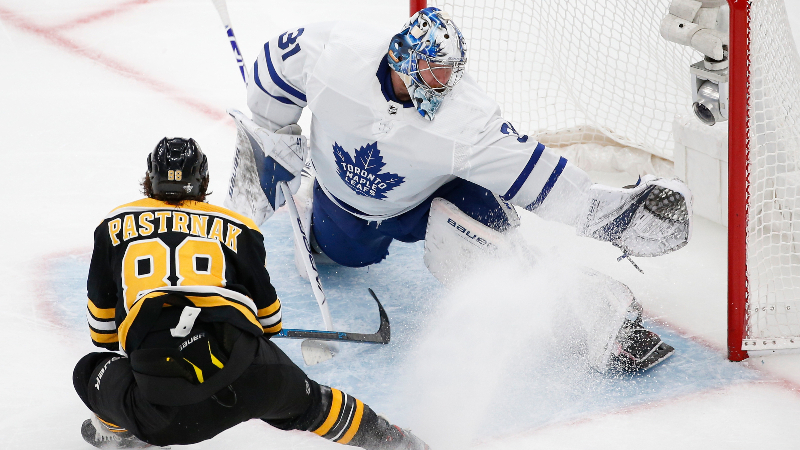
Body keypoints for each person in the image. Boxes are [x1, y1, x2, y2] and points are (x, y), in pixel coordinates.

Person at [224, 8, 693, 373]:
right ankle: (319, 228)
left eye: (451, 74)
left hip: (425, 203)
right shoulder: (336, 55)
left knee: (490, 247)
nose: (444, 85)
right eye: (434, 72)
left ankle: (590, 316)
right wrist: (273, 133)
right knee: (343, 254)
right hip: (342, 201)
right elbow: (273, 68)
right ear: (403, 59)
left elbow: (538, 177)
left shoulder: (465, 119)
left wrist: (609, 213)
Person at [74, 137, 430, 450]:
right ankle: (396, 442)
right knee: (314, 405)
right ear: (204, 182)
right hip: (249, 373)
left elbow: (103, 334)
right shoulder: (239, 227)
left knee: (89, 371)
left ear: (149, 179)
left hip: (167, 413)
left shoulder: (113, 224)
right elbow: (269, 321)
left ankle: (123, 434)